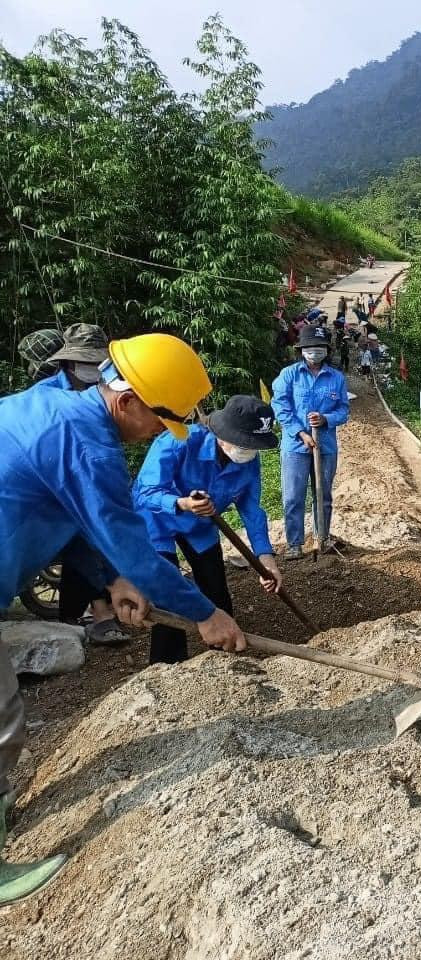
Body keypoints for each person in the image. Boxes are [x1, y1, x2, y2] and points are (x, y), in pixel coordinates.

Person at [0, 333, 248, 904]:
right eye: (163, 418)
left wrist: (113, 581)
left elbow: (68, 514)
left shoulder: (53, 403)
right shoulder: (89, 447)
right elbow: (137, 548)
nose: (164, 431)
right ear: (128, 398)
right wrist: (206, 614)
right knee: (3, 716)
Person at [134, 396, 283, 663]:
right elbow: (146, 493)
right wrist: (182, 503)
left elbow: (251, 510)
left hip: (201, 525)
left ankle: (226, 654)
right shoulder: (178, 441)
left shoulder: (248, 462)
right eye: (242, 444)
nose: (247, 452)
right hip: (158, 519)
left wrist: (266, 558)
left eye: (253, 446)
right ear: (222, 435)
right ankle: (167, 665)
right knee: (168, 592)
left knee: (215, 588)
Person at [16, 325, 129, 645]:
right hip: (51, 481)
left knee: (105, 535)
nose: (92, 370)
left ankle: (110, 602)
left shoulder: (110, 388)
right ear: (66, 362)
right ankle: (102, 613)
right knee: (83, 541)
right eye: (85, 362)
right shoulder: (45, 396)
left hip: (89, 474)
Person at [272, 325, 349, 559]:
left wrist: (326, 419)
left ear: (326, 350)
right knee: (293, 496)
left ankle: (322, 539)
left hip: (325, 446)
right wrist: (301, 433)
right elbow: (280, 406)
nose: (314, 352)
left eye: (319, 348)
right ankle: (294, 544)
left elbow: (344, 410)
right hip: (296, 446)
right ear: (301, 350)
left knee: (323, 495)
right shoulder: (289, 375)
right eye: (309, 348)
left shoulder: (336, 378)